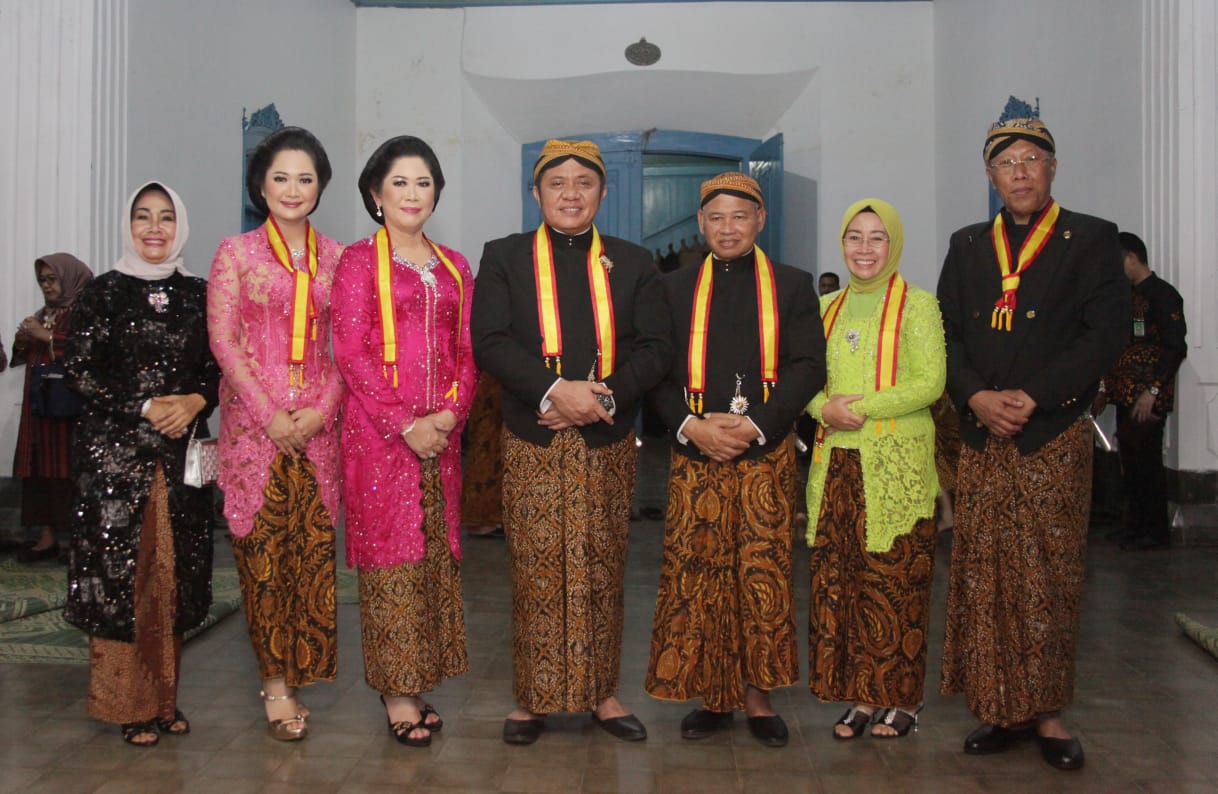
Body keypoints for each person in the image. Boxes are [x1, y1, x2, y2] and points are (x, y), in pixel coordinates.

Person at [937, 118, 1129, 771]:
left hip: (1050, 434)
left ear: (1052, 167)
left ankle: (1046, 714)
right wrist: (976, 396)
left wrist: (1035, 396)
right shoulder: (968, 244)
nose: (1019, 172)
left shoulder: (1091, 238)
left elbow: (1105, 335)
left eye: (1031, 159)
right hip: (981, 434)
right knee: (986, 575)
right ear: (990, 176)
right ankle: (998, 708)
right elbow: (945, 334)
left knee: (1048, 576)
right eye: (1006, 162)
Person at [471, 139, 670, 746]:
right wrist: (556, 391)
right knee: (535, 569)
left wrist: (603, 398)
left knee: (603, 567)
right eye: (557, 182)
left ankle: (602, 694)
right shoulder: (504, 256)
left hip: (606, 439)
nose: (571, 193)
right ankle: (532, 698)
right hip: (534, 434)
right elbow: (490, 340)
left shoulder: (634, 261)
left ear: (602, 193)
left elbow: (656, 348)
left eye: (584, 182)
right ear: (536, 193)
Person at [645, 172, 824, 748]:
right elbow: (655, 370)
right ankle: (711, 696)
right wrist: (691, 425)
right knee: (699, 575)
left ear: (760, 220)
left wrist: (755, 426)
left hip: (763, 452)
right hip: (695, 451)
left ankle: (759, 698)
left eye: (740, 216)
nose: (728, 228)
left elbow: (808, 366)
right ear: (701, 223)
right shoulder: (672, 289)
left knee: (762, 575)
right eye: (716, 217)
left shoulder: (792, 286)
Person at [64, 181, 221, 747]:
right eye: (142, 217)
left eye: (165, 217)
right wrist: (145, 405)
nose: (154, 228)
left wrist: (197, 401)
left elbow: (218, 366)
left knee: (173, 577)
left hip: (182, 460)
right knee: (125, 580)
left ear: (180, 226)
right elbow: (80, 370)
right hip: (115, 464)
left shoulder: (200, 294)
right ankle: (128, 705)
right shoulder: (102, 293)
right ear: (128, 226)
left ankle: (163, 701)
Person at [332, 136, 476, 748]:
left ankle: (419, 681)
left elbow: (466, 350)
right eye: (400, 183)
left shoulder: (454, 264)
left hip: (440, 438)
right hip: (379, 439)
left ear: (436, 192)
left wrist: (449, 415)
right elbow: (350, 351)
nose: (413, 194)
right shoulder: (358, 261)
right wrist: (404, 423)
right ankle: (397, 692)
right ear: (375, 193)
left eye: (423, 182)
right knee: (391, 560)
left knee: (432, 557)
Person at [207, 127, 344, 741]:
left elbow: (349, 348)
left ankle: (303, 667)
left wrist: (320, 411)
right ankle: (276, 685)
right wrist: (269, 415)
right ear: (260, 186)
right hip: (252, 432)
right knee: (261, 560)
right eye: (281, 177)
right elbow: (223, 341)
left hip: (317, 430)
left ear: (320, 186)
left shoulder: (338, 258)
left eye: (305, 178)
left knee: (309, 557)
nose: (293, 189)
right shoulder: (234, 253)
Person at [804, 199, 944, 740]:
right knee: (847, 585)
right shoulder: (825, 308)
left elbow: (929, 382)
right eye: (854, 237)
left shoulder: (919, 306)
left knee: (896, 583)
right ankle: (863, 696)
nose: (864, 249)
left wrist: (857, 409)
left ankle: (903, 698)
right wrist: (823, 408)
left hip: (895, 467)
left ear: (895, 244)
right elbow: (804, 378)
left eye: (877, 238)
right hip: (837, 464)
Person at [1098, 231, 1186, 551]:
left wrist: (1153, 391)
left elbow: (1175, 347)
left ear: (1131, 258)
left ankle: (1154, 531)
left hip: (1148, 397)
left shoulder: (1163, 295)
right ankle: (1135, 526)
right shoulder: (1127, 297)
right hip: (1126, 394)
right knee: (1131, 462)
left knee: (1147, 463)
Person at [10, 254, 93, 563]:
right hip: (40, 406)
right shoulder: (43, 313)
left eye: (52, 279)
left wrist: (44, 336)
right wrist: (23, 340)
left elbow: (85, 352)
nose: (47, 286)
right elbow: (22, 356)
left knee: (69, 470)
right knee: (38, 470)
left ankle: (78, 540)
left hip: (70, 408)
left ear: (70, 278)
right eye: (42, 281)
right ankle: (47, 537)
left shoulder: (85, 313)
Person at [460, 373, 505, 538]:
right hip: (492, 385)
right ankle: (481, 519)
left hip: (488, 385)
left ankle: (482, 518)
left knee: (486, 443)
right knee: (487, 445)